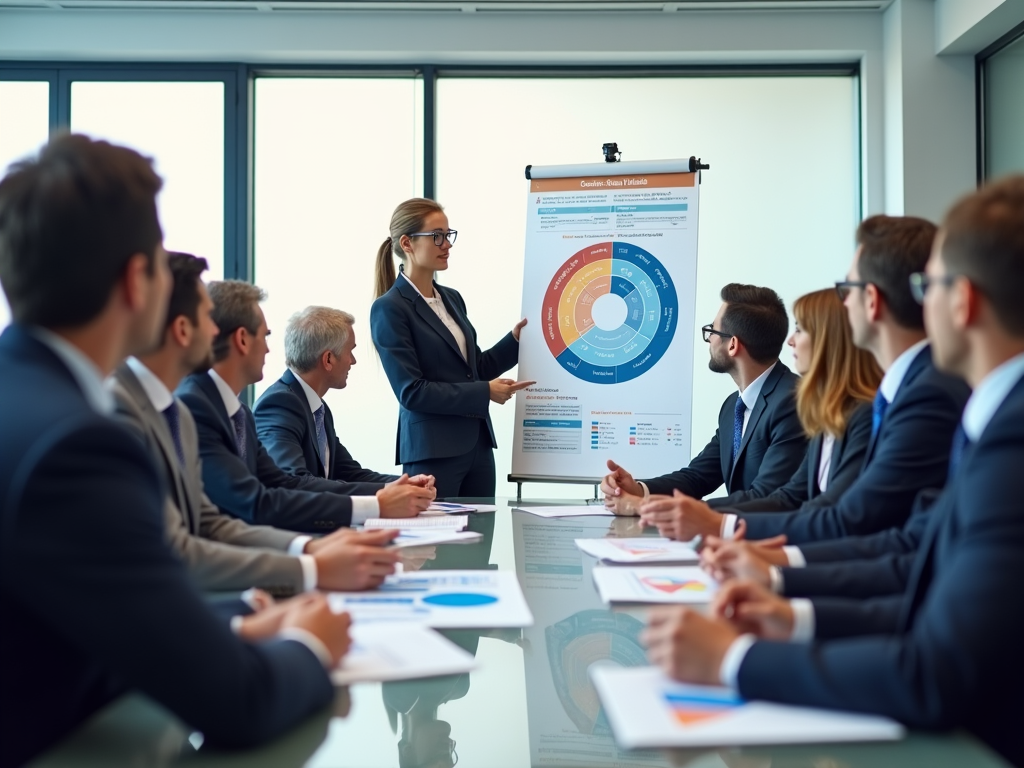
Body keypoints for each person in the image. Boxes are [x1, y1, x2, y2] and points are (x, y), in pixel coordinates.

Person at [642, 175, 1024, 768]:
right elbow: (916, 558)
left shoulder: (993, 425)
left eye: (933, 285)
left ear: (963, 300)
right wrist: (787, 603)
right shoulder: (985, 411)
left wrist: (733, 660)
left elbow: (933, 665)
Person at [0, 134, 348, 767]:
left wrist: (234, 624)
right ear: (137, 281)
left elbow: (91, 619)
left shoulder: (23, 401)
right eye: (163, 261)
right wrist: (309, 644)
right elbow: (237, 703)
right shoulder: (79, 447)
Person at [641, 216, 969, 546]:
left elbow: (849, 520)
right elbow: (797, 500)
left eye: (847, 289)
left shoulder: (896, 402)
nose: (791, 342)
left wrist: (721, 527)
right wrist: (652, 498)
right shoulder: (825, 411)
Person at [110, 253, 400, 594]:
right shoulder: (143, 410)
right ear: (182, 329)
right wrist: (311, 565)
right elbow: (249, 506)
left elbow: (211, 524)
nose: (215, 329)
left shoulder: (188, 412)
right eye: (208, 317)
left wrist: (308, 551)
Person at [177, 280, 435, 533]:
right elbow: (275, 492)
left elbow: (329, 474)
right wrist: (376, 504)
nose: (269, 349)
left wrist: (400, 485)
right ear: (328, 359)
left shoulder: (249, 411)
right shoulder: (274, 403)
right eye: (265, 336)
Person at [370, 198, 533, 498]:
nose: (447, 244)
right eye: (437, 236)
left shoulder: (452, 298)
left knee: (481, 543)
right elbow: (412, 391)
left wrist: (515, 341)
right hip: (432, 453)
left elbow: (474, 370)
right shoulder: (389, 308)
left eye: (448, 235)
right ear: (407, 243)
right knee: (439, 545)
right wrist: (486, 392)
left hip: (478, 448)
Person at [602, 283, 806, 517]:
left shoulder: (793, 403)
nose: (709, 340)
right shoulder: (734, 406)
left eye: (713, 332)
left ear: (732, 344)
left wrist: (649, 508)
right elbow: (698, 476)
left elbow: (766, 498)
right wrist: (639, 489)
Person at [717, 287, 881, 513]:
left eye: (800, 330)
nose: (790, 341)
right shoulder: (829, 415)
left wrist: (713, 520)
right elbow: (790, 497)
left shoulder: (862, 415)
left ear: (830, 339)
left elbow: (834, 514)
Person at [254, 305, 410, 488]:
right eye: (350, 351)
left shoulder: (319, 410)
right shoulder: (280, 404)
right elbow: (292, 481)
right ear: (328, 359)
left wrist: (406, 485)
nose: (353, 360)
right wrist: (387, 494)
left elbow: (348, 473)